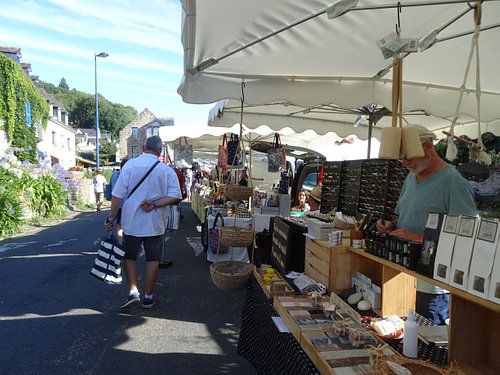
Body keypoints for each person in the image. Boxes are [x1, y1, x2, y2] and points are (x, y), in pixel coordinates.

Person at [376, 124, 477, 325]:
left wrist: (416, 238)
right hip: (402, 275)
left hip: (431, 284)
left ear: (428, 146)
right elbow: (404, 215)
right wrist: (391, 225)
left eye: (408, 157)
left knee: (426, 342)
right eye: (400, 158)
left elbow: (466, 235)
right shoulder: (411, 178)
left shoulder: (453, 181)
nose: (404, 164)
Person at [105, 136, 182, 310]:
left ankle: (133, 292)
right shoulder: (166, 170)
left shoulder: (129, 166)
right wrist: (155, 203)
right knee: (152, 259)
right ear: (160, 151)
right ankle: (148, 297)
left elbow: (117, 195)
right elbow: (176, 196)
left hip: (131, 221)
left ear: (142, 147)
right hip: (155, 222)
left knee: (130, 256)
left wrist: (111, 217)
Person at [109, 158, 128, 245]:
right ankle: (129, 245)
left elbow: (110, 189)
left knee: (119, 226)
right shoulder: (128, 176)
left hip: (117, 205)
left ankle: (121, 245)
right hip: (127, 205)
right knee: (128, 226)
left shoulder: (114, 175)